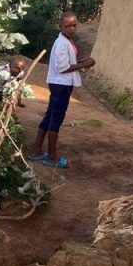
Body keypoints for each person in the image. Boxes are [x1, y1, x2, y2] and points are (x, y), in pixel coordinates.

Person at [28, 12, 95, 168]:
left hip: (60, 84)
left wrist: (80, 62)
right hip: (61, 85)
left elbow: (67, 62)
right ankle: (52, 157)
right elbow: (63, 67)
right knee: (56, 118)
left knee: (51, 114)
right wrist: (85, 64)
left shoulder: (65, 41)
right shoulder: (61, 43)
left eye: (74, 25)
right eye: (68, 26)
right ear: (60, 26)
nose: (72, 28)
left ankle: (37, 150)